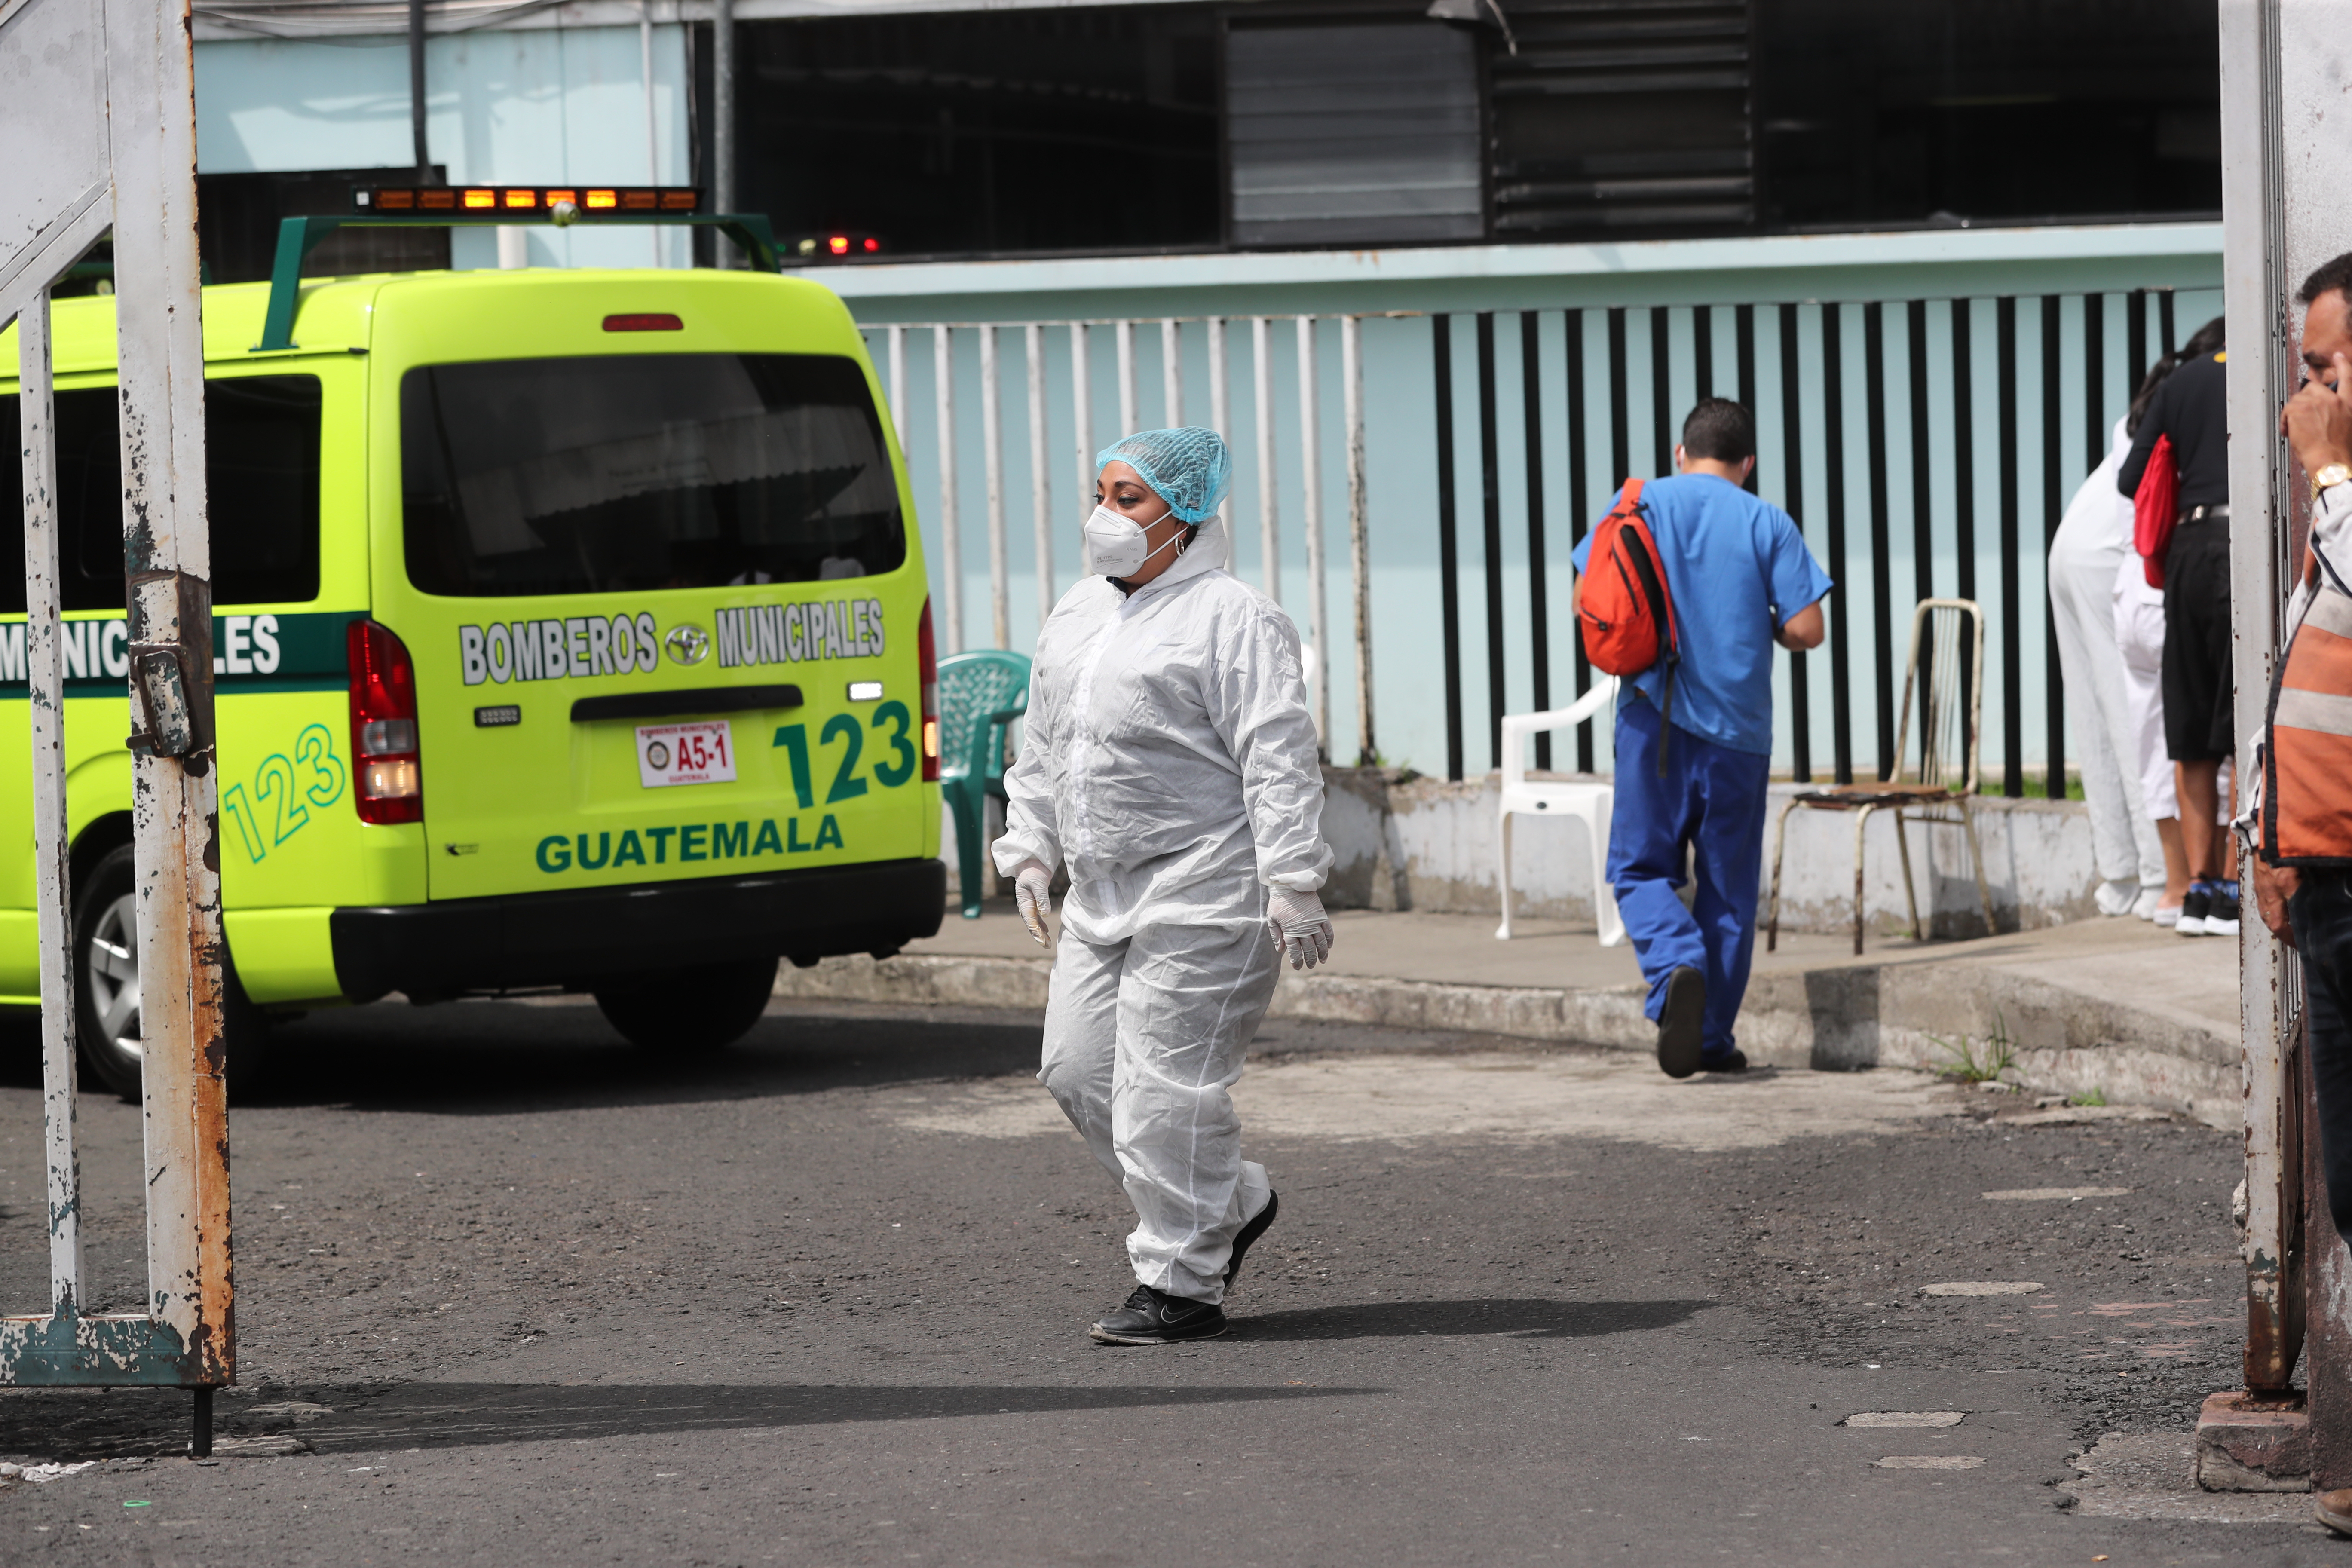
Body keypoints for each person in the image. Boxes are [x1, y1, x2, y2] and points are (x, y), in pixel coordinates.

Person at [994, 427, 1332, 1347]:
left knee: (1164, 1093)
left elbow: (1278, 758)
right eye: (1101, 493)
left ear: (1186, 513)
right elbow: (1046, 745)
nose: (1107, 514)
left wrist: (1294, 882)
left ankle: (1182, 1282)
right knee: (1074, 1071)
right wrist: (1030, 847)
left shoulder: (1236, 618)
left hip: (1208, 889)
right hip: (1104, 893)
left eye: (1130, 497)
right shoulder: (1076, 613)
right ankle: (1235, 1199)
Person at [1573, 399, 1832, 1078]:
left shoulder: (1637, 505)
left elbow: (1589, 597)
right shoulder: (1766, 520)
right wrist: (1768, 624)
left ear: (1681, 453)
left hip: (1649, 719)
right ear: (1748, 463)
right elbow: (1808, 629)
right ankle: (1712, 1038)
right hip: (1740, 737)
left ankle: (1673, 963)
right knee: (1728, 891)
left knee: (1638, 869)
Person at [2246, 251, 2352, 1541]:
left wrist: (2329, 468)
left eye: (2326, 370)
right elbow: (2306, 662)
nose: (2306, 397)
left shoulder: (2342, 496)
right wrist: (2264, 831)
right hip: (2326, 874)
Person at [2119, 317, 2239, 937]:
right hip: (2241, 544)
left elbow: (2128, 479)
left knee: (2191, 731)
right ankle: (2239, 885)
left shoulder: (2181, 379)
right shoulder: (2269, 372)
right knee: (2245, 723)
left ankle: (2198, 891)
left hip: (2186, 555)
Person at [2049, 415, 2171, 918]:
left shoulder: (2156, 401)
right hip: (2106, 557)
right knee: (2130, 715)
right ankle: (2158, 875)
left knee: (2097, 717)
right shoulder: (2211, 395)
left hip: (2071, 547)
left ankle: (2121, 877)